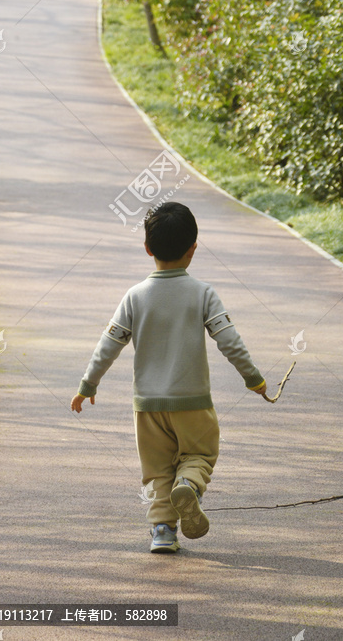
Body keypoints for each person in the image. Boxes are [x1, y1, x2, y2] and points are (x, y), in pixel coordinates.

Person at [71, 201, 267, 554]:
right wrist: (253, 379)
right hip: (192, 402)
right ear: (193, 249)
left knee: (157, 471)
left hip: (147, 406)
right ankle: (190, 486)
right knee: (200, 455)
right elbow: (229, 341)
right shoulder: (203, 294)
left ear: (148, 249)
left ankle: (162, 531)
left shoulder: (134, 297)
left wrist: (88, 384)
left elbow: (109, 343)